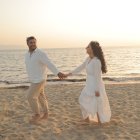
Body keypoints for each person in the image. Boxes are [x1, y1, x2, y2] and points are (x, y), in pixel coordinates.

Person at [66, 41, 111, 124]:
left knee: (97, 104)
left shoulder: (97, 61)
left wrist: (97, 90)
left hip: (95, 85)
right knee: (82, 99)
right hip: (89, 84)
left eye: (88, 47)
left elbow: (98, 77)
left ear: (92, 49)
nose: (86, 48)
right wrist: (70, 73)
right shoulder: (88, 59)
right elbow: (80, 67)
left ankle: (100, 121)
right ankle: (86, 120)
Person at [25, 36, 65, 123]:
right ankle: (46, 113)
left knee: (30, 97)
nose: (33, 44)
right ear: (27, 44)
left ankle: (37, 114)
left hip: (40, 79)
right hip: (33, 79)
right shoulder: (27, 54)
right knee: (41, 96)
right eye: (31, 42)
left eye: (34, 42)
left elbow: (49, 63)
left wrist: (57, 72)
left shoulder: (40, 53)